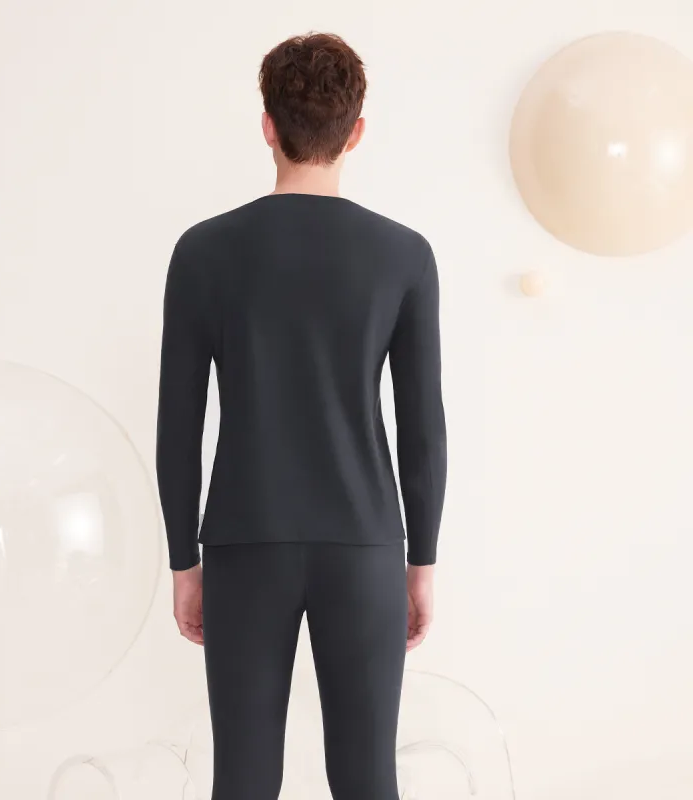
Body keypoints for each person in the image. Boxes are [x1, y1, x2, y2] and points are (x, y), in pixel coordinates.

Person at [156, 31, 447, 800]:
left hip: (244, 543)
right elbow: (422, 429)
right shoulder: (404, 255)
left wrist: (184, 562)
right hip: (365, 544)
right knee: (367, 779)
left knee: (243, 781)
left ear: (267, 126)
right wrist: (421, 563)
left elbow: (179, 424)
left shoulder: (202, 252)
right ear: (356, 132)